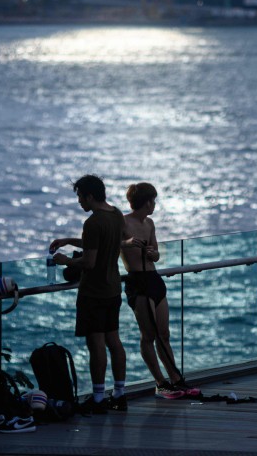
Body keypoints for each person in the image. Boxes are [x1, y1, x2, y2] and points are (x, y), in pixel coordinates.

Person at [49, 175, 128, 413]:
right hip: (113, 288)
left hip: (93, 292)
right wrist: (68, 240)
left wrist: (65, 260)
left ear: (89, 196)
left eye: (80, 197)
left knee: (96, 345)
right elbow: (101, 244)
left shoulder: (92, 222)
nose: (79, 202)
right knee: (114, 342)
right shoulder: (116, 215)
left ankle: (97, 398)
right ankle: (120, 394)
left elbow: (90, 261)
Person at [121, 182, 198, 398]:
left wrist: (153, 254)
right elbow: (111, 244)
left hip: (154, 279)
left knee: (164, 334)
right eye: (153, 200)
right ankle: (160, 382)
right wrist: (126, 243)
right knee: (148, 335)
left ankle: (176, 379)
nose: (154, 205)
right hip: (137, 282)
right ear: (147, 202)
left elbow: (155, 251)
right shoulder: (123, 222)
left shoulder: (150, 223)